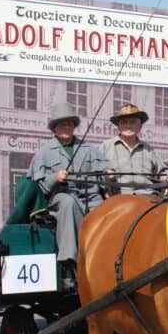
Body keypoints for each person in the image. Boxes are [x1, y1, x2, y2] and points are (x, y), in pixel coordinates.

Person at [27, 102, 111, 283]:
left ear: (74, 126)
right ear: (54, 128)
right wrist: (54, 178)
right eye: (61, 124)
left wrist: (108, 174)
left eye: (69, 124)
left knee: (107, 209)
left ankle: (107, 258)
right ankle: (69, 261)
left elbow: (103, 171)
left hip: (90, 198)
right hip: (59, 198)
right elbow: (39, 186)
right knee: (68, 203)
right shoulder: (44, 152)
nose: (66, 127)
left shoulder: (89, 149)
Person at [100, 103, 168, 196]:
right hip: (118, 197)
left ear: (140, 127)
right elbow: (96, 174)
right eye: (124, 122)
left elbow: (163, 172)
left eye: (133, 122)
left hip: (147, 197)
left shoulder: (148, 149)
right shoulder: (106, 146)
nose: (128, 126)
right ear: (118, 126)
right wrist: (106, 176)